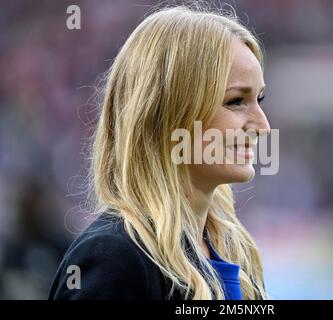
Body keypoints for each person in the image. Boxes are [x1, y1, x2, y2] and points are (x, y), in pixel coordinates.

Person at [49, 4, 270, 300]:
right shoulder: (116, 259)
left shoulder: (236, 255)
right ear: (169, 113)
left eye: (259, 99)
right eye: (235, 101)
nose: (263, 126)